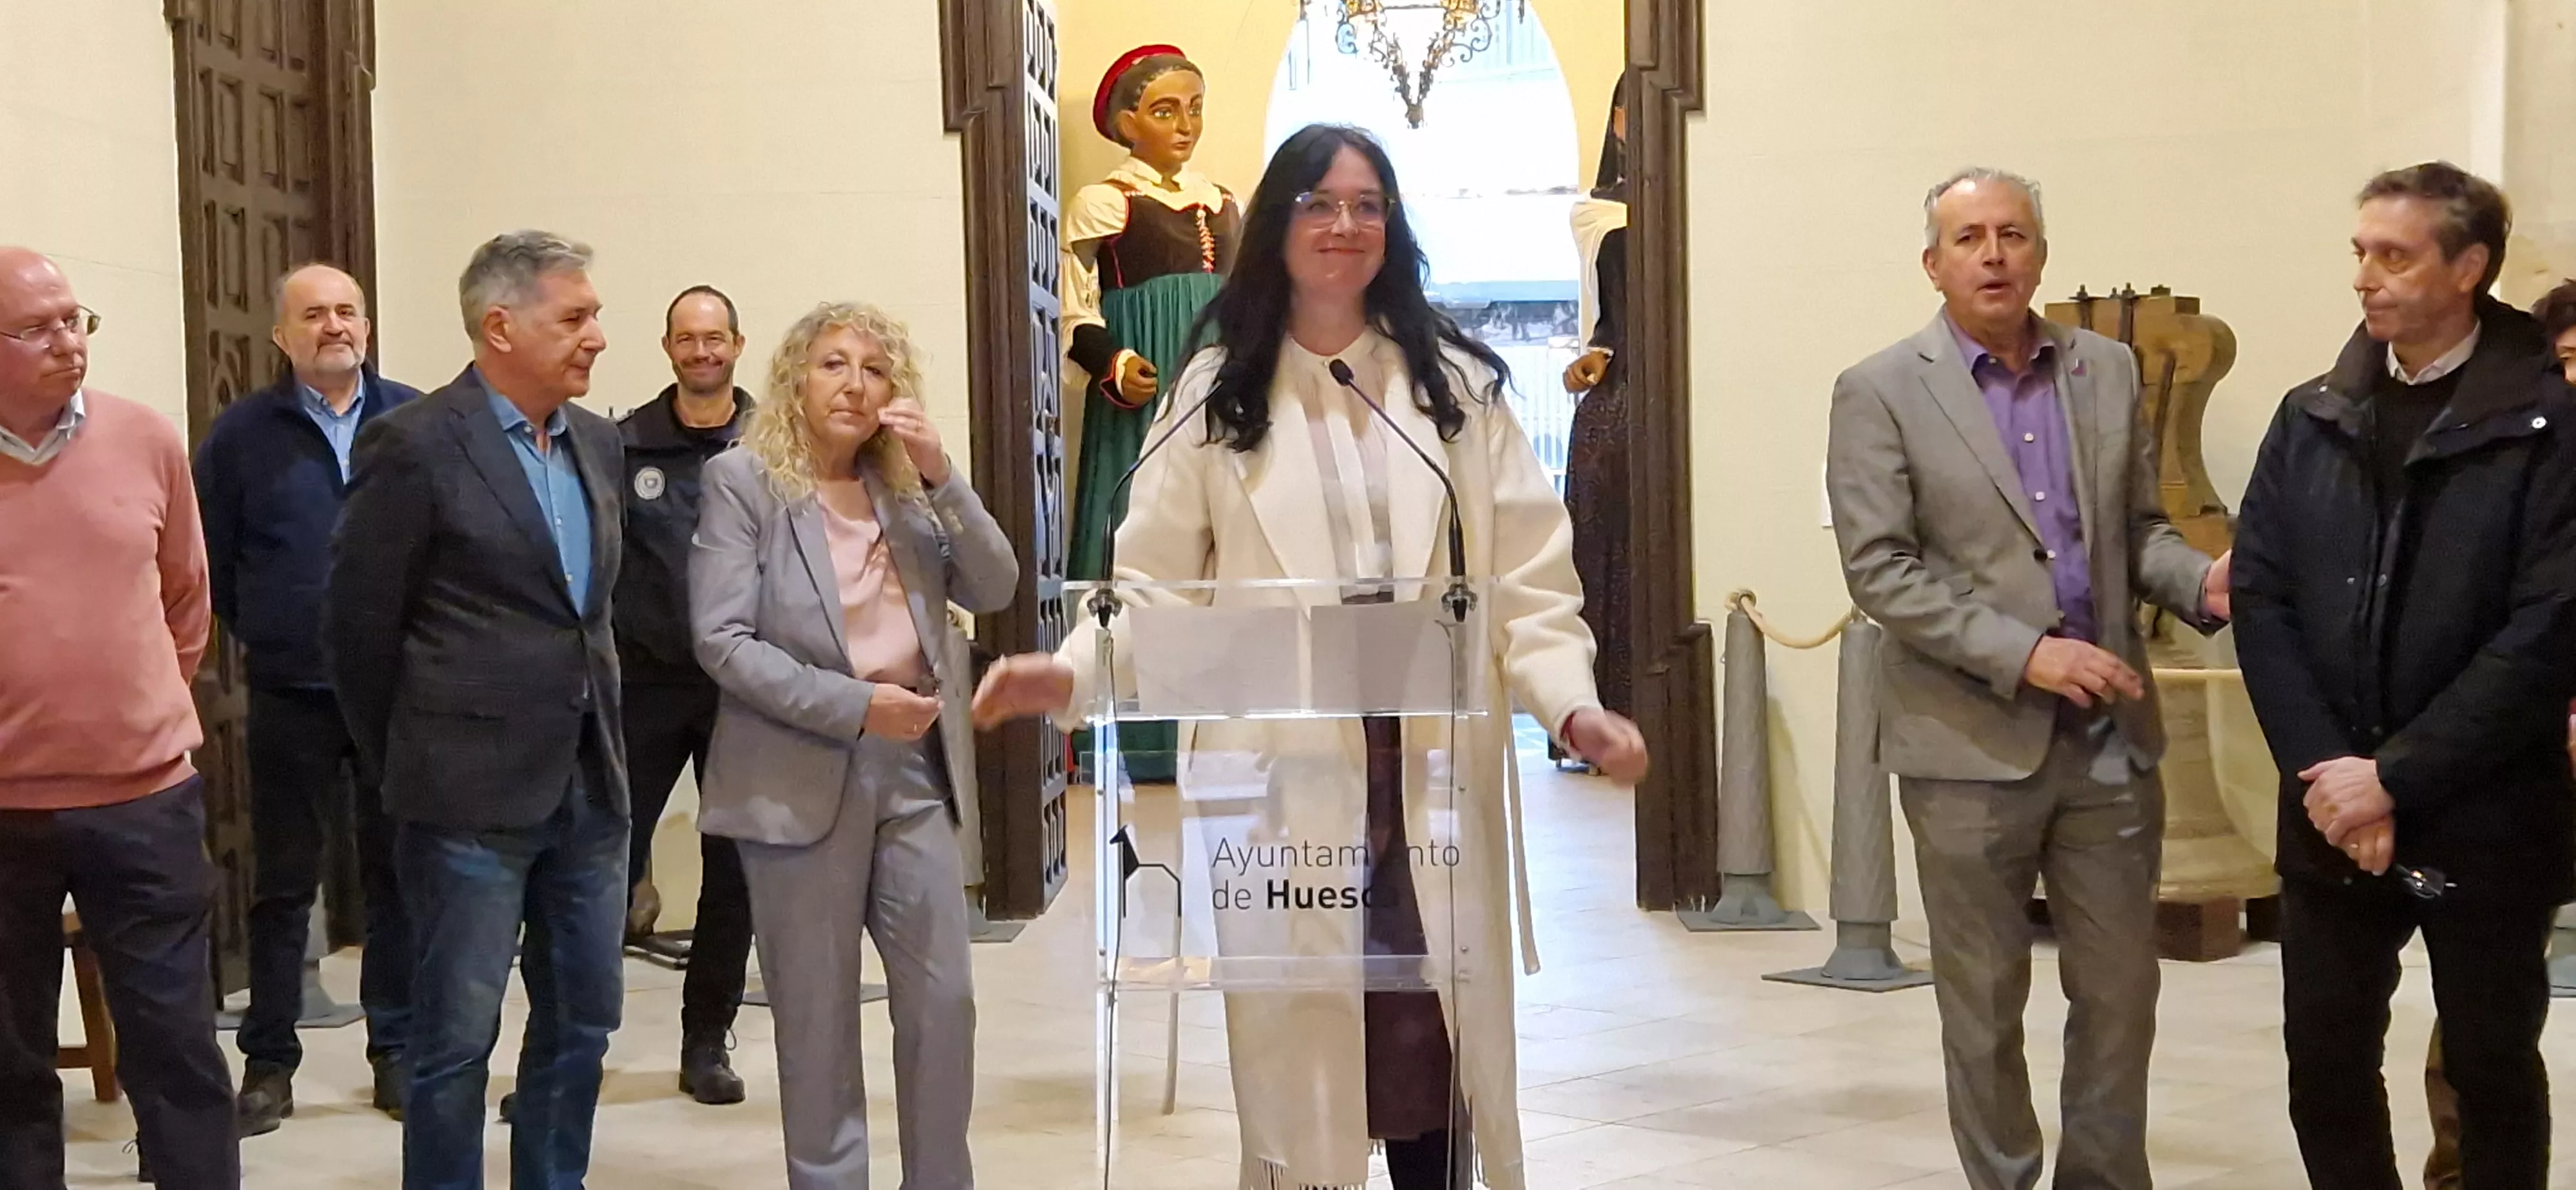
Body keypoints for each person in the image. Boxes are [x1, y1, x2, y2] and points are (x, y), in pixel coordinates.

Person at [975, 124, 1649, 1190]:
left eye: (1368, 203)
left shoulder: (1456, 388)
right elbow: (1152, 588)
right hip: (1282, 775)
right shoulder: (1213, 392)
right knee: (1310, 1077)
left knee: (1438, 1050)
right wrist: (1072, 672)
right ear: (1279, 225)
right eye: (1320, 203)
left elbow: (1529, 581)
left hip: (1429, 763)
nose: (1346, 225)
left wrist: (1571, 705)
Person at [1824, 169, 2227, 1190]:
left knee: (2121, 995)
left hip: (2108, 743)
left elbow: (2137, 530)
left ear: (2041, 253)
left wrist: (2206, 583)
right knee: (1984, 1001)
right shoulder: (1878, 390)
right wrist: (2026, 652)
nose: (1994, 254)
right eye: (1969, 238)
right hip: (1965, 745)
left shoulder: (2107, 369)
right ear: (1934, 263)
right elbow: (1881, 571)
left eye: (2013, 234)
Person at [2233, 162, 2576, 1190]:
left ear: (2469, 267)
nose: (2366, 279)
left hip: (2485, 805)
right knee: (2325, 1060)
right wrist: (2331, 771)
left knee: (2487, 1068)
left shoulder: (2550, 425)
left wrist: (2399, 776)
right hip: (2331, 804)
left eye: (2396, 255)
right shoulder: (2313, 414)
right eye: (2360, 253)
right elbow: (2263, 596)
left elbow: (2548, 627)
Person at [689, 301, 1016, 1188]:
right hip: (799, 773)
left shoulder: (905, 487)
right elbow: (721, 642)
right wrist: (855, 704)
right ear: (798, 377)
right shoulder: (745, 483)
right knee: (818, 1016)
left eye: (875, 369)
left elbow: (993, 584)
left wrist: (944, 473)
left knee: (944, 1000)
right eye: (834, 364)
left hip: (912, 773)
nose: (855, 383)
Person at [326, 231, 628, 1190]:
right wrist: (415, 759)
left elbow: (592, 615)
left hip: (589, 787)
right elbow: (357, 631)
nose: (597, 338)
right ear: (501, 326)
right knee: (456, 1041)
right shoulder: (414, 444)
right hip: (462, 804)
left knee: (583, 1021)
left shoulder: (598, 442)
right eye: (574, 317)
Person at [0, 247, 237, 1187]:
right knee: (10, 1058)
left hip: (144, 802)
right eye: (40, 327)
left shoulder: (146, 439)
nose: (69, 342)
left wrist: (123, 710)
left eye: (75, 319)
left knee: (176, 1045)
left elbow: (187, 600)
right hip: (3, 811)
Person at [193, 262, 422, 1133]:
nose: (335, 326)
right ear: (282, 337)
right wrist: (265, 626)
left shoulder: (413, 420)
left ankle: (395, 1047)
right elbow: (205, 561)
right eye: (315, 315)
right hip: (289, 691)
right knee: (284, 884)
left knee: (397, 876)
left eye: (349, 312)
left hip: (393, 694)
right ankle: (269, 1062)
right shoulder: (242, 436)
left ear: (368, 326)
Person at [1061, 43, 1240, 784]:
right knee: (1138, 535)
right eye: (1165, 110)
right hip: (1146, 380)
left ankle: (1213, 725)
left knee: (1217, 541)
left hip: (1217, 377)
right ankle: (1131, 738)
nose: (1185, 125)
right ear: (1127, 121)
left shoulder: (1225, 200)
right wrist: (1112, 362)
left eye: (1194, 108)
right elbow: (1074, 308)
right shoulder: (1106, 201)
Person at [613, 284, 757, 1106]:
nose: (701, 352)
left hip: (741, 695)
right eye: (686, 339)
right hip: (646, 689)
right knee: (603, 871)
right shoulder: (625, 443)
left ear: (738, 344)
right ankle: (573, 1048)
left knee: (728, 871)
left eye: (715, 338)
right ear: (668, 347)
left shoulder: (775, 441)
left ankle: (707, 1041)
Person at [1557, 73, 1631, 766]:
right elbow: (1604, 319)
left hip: (1682, 382)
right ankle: (1605, 714)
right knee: (1605, 533)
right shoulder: (1600, 213)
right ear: (1617, 122)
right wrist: (1594, 355)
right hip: (1623, 391)